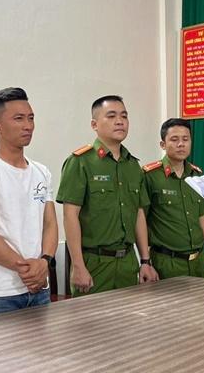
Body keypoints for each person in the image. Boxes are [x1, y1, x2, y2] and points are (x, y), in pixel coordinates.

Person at [0, 87, 58, 317]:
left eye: (31, 118)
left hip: (39, 288)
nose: (28, 125)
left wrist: (44, 262)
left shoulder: (41, 172)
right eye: (19, 118)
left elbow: (50, 224)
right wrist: (26, 269)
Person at [56, 95, 158, 296]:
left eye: (124, 116)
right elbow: (70, 216)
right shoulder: (80, 162)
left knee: (128, 316)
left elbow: (138, 214)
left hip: (128, 262)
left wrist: (145, 261)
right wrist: (78, 265)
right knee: (91, 317)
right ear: (94, 124)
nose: (120, 121)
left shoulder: (133, 166)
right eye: (111, 116)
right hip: (94, 263)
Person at [143, 118, 204, 279]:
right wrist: (145, 262)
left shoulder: (197, 175)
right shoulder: (150, 176)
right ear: (163, 144)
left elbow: (202, 216)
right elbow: (140, 219)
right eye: (174, 139)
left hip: (199, 260)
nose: (181, 144)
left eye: (185, 139)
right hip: (166, 262)